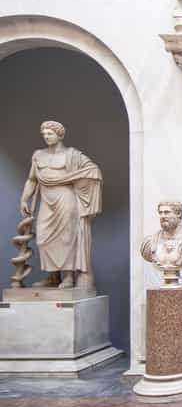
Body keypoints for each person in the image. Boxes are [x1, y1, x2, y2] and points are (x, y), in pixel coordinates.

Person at [20, 120, 102, 290]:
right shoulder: (38, 155)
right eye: (44, 134)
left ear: (59, 135)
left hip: (66, 200)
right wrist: (24, 199)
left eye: (49, 133)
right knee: (43, 238)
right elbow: (32, 180)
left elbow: (93, 170)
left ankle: (69, 277)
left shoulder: (72, 155)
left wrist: (78, 180)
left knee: (66, 238)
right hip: (46, 201)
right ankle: (53, 277)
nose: (46, 137)